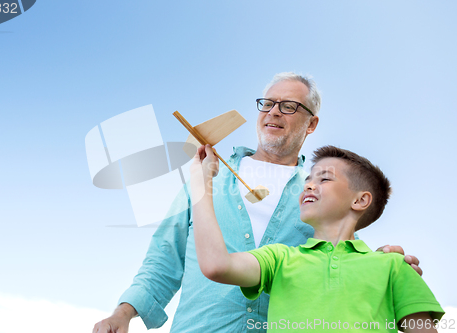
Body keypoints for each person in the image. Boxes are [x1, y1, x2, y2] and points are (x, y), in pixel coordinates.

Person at [93, 72, 422, 333]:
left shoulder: (317, 196)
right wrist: (123, 314)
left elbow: (339, 255)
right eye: (267, 103)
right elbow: (164, 261)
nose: (274, 112)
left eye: (289, 106)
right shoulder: (207, 181)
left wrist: (382, 267)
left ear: (312, 123)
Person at [191, 144, 444, 332]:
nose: (309, 185)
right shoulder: (278, 259)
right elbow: (216, 265)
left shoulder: (394, 266)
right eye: (308, 180)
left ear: (360, 200)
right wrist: (200, 184)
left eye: (324, 178)